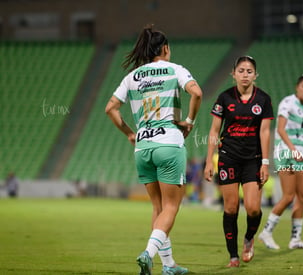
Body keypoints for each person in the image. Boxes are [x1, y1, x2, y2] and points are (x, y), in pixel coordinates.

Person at [105, 24, 202, 275]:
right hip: (168, 143)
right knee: (171, 208)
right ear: (166, 49)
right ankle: (148, 254)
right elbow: (197, 93)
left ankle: (168, 266)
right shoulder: (175, 70)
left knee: (158, 209)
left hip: (143, 148)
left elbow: (110, 108)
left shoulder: (133, 76)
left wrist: (129, 133)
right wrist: (189, 122)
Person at [204, 56, 274, 268]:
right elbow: (214, 131)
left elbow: (264, 132)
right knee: (231, 208)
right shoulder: (224, 98)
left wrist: (265, 162)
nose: (245, 75)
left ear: (256, 74)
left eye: (249, 71)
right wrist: (209, 161)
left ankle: (249, 237)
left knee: (253, 209)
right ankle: (233, 255)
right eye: (241, 71)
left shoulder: (263, 99)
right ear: (233, 74)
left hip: (253, 160)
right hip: (228, 158)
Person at [258, 73, 303, 250]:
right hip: (286, 152)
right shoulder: (288, 102)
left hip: (300, 154)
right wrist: (293, 151)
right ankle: (266, 232)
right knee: (289, 195)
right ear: (297, 87)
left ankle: (295, 239)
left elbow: (301, 135)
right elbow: (281, 130)